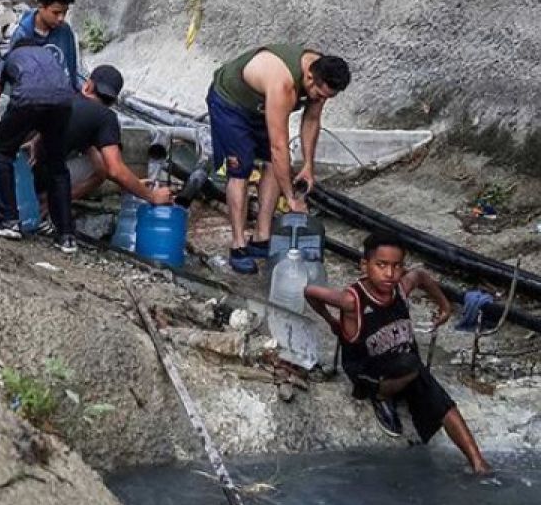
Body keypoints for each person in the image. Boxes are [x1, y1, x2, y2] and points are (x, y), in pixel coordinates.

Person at [305, 233, 490, 474]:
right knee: (411, 364)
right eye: (381, 265)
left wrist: (445, 306)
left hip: (406, 367)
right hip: (367, 371)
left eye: (396, 266)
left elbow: (421, 275)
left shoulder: (400, 289)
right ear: (365, 265)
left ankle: (478, 462)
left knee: (438, 397)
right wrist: (332, 322)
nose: (389, 274)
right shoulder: (353, 301)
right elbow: (310, 291)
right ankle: (381, 396)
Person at [206, 44, 350, 274]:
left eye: (327, 98)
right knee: (240, 170)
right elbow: (279, 146)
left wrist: (308, 167)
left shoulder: (322, 72)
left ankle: (261, 237)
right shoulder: (283, 84)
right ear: (310, 78)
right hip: (231, 104)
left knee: (275, 166)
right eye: (320, 95)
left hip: (261, 106)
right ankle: (238, 245)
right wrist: (291, 199)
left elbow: (311, 121)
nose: (321, 100)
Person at [30, 65, 174, 232]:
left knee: (95, 160)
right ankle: (51, 203)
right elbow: (114, 169)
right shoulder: (105, 117)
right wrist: (152, 196)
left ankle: (46, 200)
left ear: (88, 86)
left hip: (19, 171)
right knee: (100, 169)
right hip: (41, 179)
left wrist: (134, 184)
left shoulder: (66, 98)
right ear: (113, 100)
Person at [0, 33, 77, 251]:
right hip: (64, 102)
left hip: (27, 98)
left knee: (3, 154)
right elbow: (58, 92)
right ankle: (66, 235)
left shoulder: (8, 57)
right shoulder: (50, 56)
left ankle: (8, 221)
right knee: (57, 166)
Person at [10, 0, 81, 91]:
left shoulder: (65, 31)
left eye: (65, 12)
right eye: (56, 12)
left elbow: (71, 70)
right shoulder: (22, 36)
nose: (61, 18)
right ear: (41, 6)